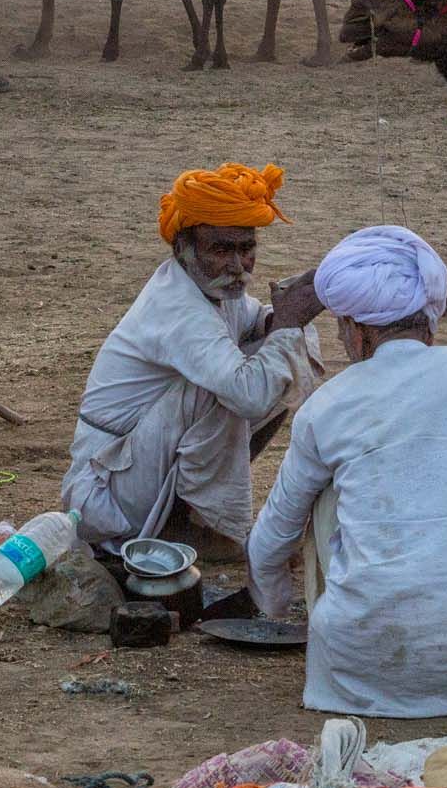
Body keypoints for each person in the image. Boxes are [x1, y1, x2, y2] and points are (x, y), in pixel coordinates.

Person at [247, 225, 447, 718]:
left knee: (329, 494)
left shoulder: (325, 407)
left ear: (357, 331)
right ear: (430, 319)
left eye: (341, 329)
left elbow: (269, 541)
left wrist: (274, 609)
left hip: (360, 673)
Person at [62, 164, 320, 556]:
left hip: (139, 469)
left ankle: (192, 522)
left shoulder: (213, 288)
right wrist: (286, 326)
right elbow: (248, 395)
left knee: (278, 354)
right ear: (183, 249)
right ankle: (186, 526)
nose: (237, 266)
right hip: (106, 494)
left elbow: (256, 323)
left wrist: (283, 319)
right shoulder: (179, 308)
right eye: (220, 250)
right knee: (238, 383)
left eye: (245, 249)